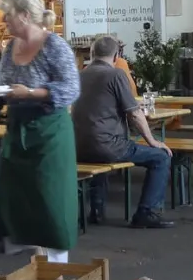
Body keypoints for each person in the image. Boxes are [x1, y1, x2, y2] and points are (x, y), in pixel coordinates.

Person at [0, 0, 80, 261]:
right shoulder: (10, 47)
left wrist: (31, 93)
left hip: (50, 133)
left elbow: (71, 88)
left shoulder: (54, 45)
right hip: (18, 132)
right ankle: (32, 265)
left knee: (51, 200)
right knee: (17, 198)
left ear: (25, 15)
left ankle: (57, 268)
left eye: (8, 15)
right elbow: (2, 85)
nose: (3, 20)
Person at [73, 34, 174, 228]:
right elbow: (134, 114)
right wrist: (153, 141)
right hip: (107, 146)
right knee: (161, 157)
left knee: (99, 153)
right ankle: (146, 212)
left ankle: (97, 211)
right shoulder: (116, 74)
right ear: (116, 56)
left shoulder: (80, 75)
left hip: (78, 147)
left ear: (92, 53)